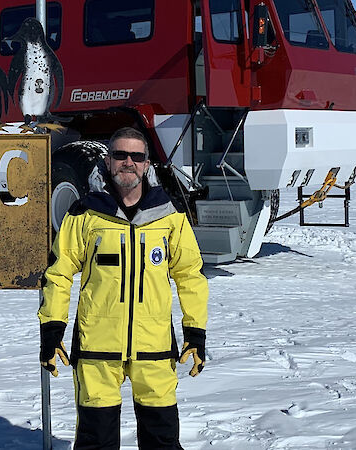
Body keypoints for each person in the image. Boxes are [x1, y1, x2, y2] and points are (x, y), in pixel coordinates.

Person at [38, 127, 209, 449]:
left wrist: (195, 332)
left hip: (154, 349)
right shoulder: (85, 213)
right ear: (107, 161)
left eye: (136, 156)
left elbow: (190, 276)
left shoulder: (170, 216)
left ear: (146, 164)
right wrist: (52, 329)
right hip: (97, 349)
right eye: (120, 155)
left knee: (162, 440)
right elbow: (59, 274)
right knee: (96, 442)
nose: (128, 162)